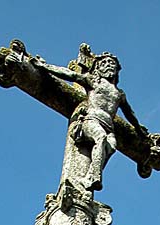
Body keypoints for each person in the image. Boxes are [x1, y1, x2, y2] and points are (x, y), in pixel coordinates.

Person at [31, 51, 148, 190]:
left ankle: (90, 177)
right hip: (91, 120)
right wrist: (44, 66)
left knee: (111, 147)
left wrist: (138, 128)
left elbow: (129, 113)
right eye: (104, 63)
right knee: (101, 138)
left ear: (117, 70)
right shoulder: (93, 81)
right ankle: (95, 177)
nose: (109, 65)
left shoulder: (119, 94)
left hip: (108, 126)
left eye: (112, 63)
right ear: (98, 67)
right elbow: (70, 75)